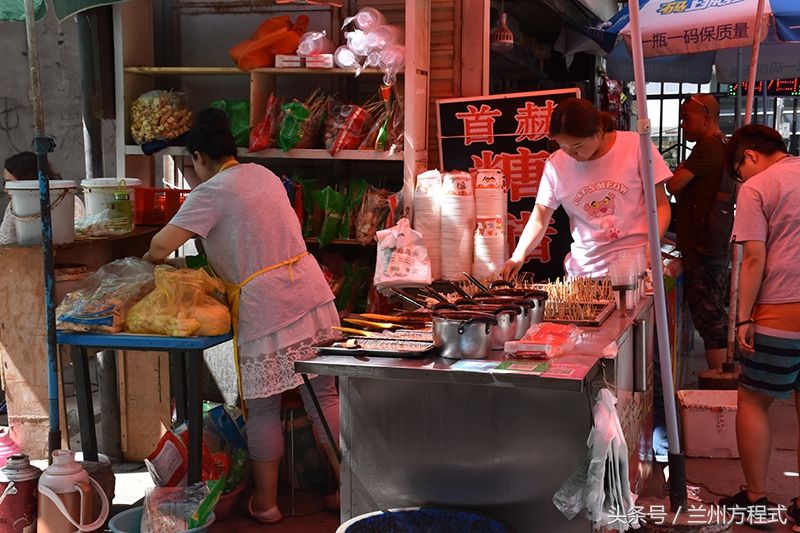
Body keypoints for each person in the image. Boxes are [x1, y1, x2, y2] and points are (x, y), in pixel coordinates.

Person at [143, 108, 341, 525]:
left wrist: (146, 260)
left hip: (266, 304)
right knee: (323, 396)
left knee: (264, 409)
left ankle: (266, 504)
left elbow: (160, 248)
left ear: (198, 157)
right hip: (310, 289)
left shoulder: (210, 192)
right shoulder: (263, 175)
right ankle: (350, 489)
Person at [719, 125, 800, 525]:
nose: (740, 180)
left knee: (753, 401)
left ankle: (756, 499)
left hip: (782, 309)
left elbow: (753, 258)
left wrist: (743, 318)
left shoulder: (758, 187)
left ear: (749, 156)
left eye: (737, 171)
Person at [501, 97, 672, 280]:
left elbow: (661, 205)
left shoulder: (635, 146)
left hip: (637, 267)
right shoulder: (555, 165)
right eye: (562, 146)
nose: (570, 153)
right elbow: (540, 219)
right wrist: (518, 255)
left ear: (598, 132)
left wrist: (651, 248)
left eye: (577, 146)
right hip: (585, 274)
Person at [667, 94, 731, 371]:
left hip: (703, 246)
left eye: (686, 118)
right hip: (710, 243)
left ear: (706, 116)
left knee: (709, 316)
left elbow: (673, 184)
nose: (682, 125)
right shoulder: (722, 144)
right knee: (711, 312)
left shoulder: (708, 147)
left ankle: (719, 381)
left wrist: (679, 173)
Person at [0, 152, 86, 245]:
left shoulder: (71, 202)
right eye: (4, 183)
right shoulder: (14, 206)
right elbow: (5, 241)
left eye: (9, 183)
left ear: (25, 180)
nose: (5, 189)